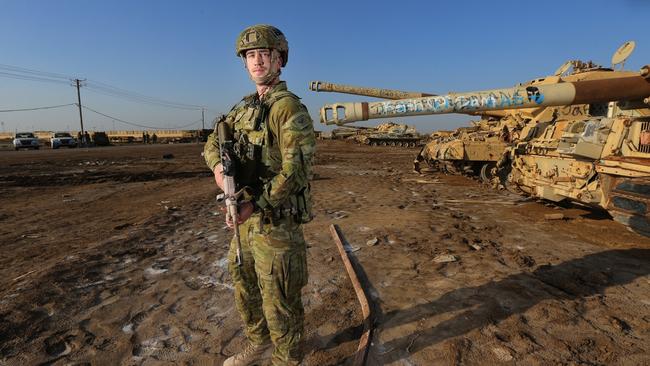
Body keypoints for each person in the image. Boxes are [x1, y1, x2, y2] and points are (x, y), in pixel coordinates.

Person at [203, 24, 315, 366]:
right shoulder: (244, 109)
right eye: (250, 55)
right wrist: (223, 178)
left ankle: (287, 359)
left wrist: (257, 204)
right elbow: (212, 144)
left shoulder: (288, 109)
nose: (256, 61)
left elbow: (295, 172)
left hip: (277, 223)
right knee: (245, 287)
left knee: (279, 300)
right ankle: (259, 344)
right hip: (246, 220)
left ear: (279, 60)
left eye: (264, 54)